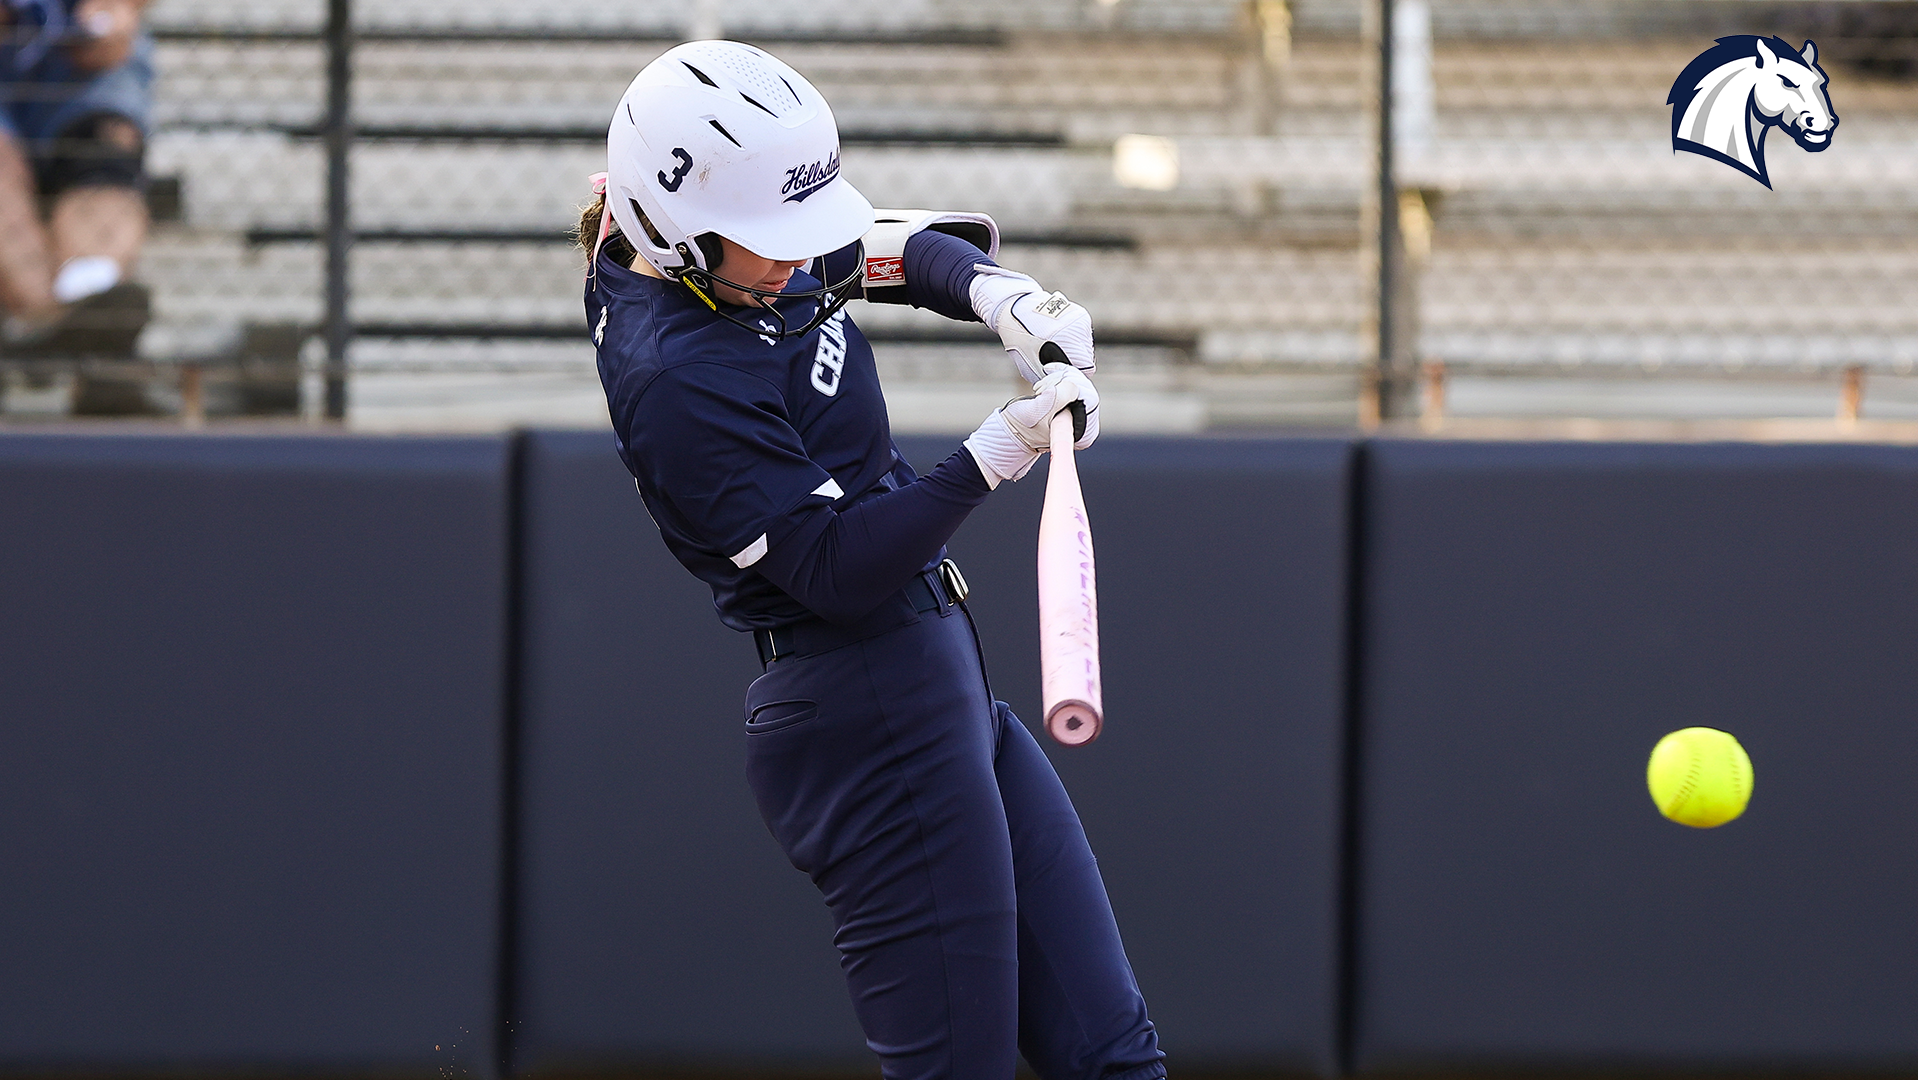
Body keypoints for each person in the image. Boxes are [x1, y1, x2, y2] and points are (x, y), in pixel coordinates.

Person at [579, 41, 1166, 1080]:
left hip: (930, 683)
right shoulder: (674, 372)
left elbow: (878, 250)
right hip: (861, 713)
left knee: (1112, 1054)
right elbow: (835, 567)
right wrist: (998, 450)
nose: (798, 262)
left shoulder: (727, 262)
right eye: (771, 241)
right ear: (674, 233)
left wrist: (999, 297)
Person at [0, 0, 154, 408]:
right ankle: (48, 327)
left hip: (72, 55)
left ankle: (88, 302)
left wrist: (120, 8)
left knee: (104, 147)